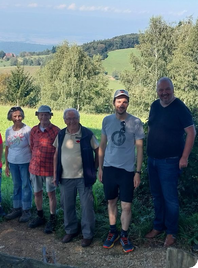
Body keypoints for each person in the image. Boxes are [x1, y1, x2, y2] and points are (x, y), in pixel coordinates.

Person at [145, 77, 196, 247]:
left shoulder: (180, 108)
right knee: (157, 196)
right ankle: (158, 226)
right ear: (157, 91)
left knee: (170, 199)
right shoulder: (154, 106)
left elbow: (191, 132)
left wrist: (184, 157)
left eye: (167, 89)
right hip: (152, 159)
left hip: (170, 161)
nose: (164, 93)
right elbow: (151, 127)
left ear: (172, 89)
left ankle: (171, 232)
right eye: (161, 90)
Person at [98, 89, 144, 253]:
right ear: (114, 103)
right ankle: (113, 232)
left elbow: (139, 149)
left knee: (126, 206)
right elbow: (102, 146)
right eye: (119, 101)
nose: (121, 104)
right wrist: (100, 168)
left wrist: (138, 172)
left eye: (124, 101)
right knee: (111, 202)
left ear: (128, 104)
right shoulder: (107, 121)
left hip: (127, 171)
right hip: (109, 168)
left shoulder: (136, 122)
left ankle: (124, 235)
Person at [53, 108, 99, 247]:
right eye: (69, 118)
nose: (72, 121)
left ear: (79, 119)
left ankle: (87, 234)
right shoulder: (61, 134)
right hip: (65, 177)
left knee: (87, 206)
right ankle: (71, 230)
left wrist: (95, 168)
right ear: (64, 120)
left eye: (74, 118)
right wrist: (55, 174)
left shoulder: (86, 134)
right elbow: (56, 154)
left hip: (84, 177)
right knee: (67, 205)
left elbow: (98, 150)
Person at [28, 105, 60, 234]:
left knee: (51, 194)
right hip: (35, 168)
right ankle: (40, 216)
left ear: (50, 116)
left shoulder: (56, 131)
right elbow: (31, 147)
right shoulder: (34, 130)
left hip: (50, 169)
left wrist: (56, 171)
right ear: (38, 116)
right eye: (41, 115)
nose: (43, 117)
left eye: (46, 114)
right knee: (37, 193)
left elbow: (58, 151)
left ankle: (52, 218)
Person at [4, 106, 33, 222]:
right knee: (16, 185)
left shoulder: (27, 130)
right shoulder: (8, 131)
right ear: (10, 117)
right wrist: (6, 164)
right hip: (13, 162)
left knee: (26, 185)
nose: (17, 118)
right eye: (15, 116)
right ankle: (16, 208)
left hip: (25, 161)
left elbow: (31, 147)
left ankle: (26, 210)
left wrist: (32, 163)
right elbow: (7, 147)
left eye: (19, 116)